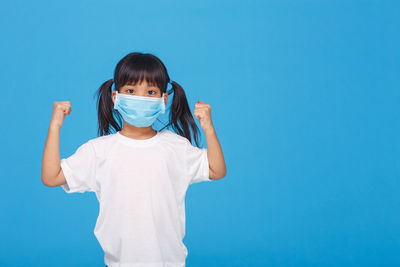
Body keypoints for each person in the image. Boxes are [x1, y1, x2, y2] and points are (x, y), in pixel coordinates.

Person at [41, 52, 227, 267]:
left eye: (150, 92)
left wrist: (209, 129)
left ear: (163, 100)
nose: (141, 98)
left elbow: (216, 170)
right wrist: (54, 126)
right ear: (115, 97)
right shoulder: (99, 150)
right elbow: (51, 176)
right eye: (131, 91)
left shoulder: (175, 147)